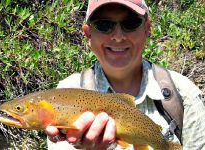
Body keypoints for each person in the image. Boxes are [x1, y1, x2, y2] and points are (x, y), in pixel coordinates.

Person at [45, 0, 205, 149]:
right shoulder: (64, 94)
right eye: (104, 25)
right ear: (88, 33)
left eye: (130, 23)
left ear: (147, 29)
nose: (118, 36)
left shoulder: (183, 95)